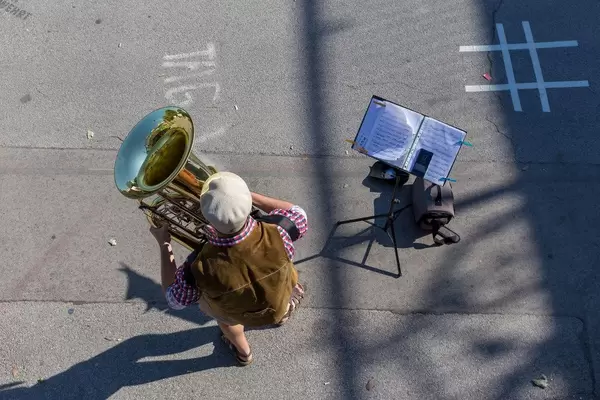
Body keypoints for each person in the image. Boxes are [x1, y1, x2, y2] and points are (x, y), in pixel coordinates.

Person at [149, 171, 308, 366]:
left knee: (226, 320)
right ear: (247, 203)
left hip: (235, 310)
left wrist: (164, 244)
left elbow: (174, 299)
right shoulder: (279, 231)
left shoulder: (198, 267)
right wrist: (245, 197)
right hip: (279, 291)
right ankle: (282, 312)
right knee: (281, 290)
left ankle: (244, 353)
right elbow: (299, 213)